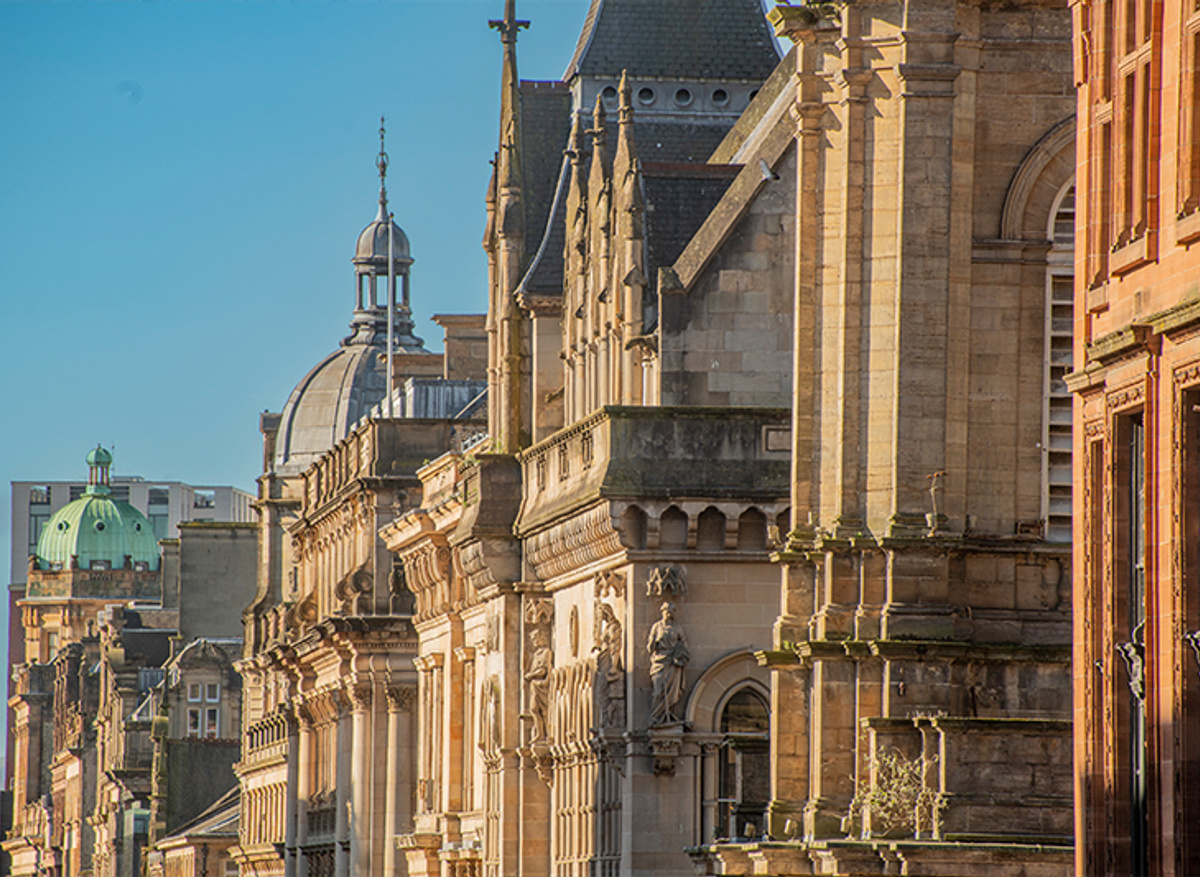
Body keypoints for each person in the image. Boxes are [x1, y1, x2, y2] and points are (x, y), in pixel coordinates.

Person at [647, 601, 689, 724]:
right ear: (662, 612)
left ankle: (669, 715)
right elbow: (650, 647)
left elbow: (684, 644)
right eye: (667, 612)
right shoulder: (657, 627)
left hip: (673, 662)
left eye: (671, 612)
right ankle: (656, 716)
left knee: (673, 692)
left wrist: (681, 655)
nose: (669, 614)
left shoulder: (677, 628)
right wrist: (656, 641)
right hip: (659, 662)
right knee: (658, 690)